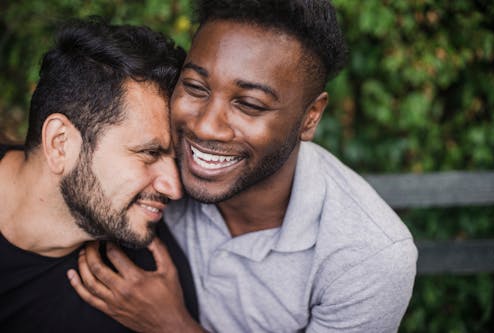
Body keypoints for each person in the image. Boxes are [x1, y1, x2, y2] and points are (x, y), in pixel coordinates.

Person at [68, 1, 418, 332]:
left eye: (249, 104)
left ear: (310, 117)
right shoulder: (158, 167)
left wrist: (172, 325)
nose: (206, 126)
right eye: (194, 87)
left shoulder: (368, 257)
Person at [0, 18, 200, 332]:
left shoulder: (144, 291)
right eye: (149, 153)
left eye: (175, 160)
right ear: (60, 143)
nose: (174, 189)